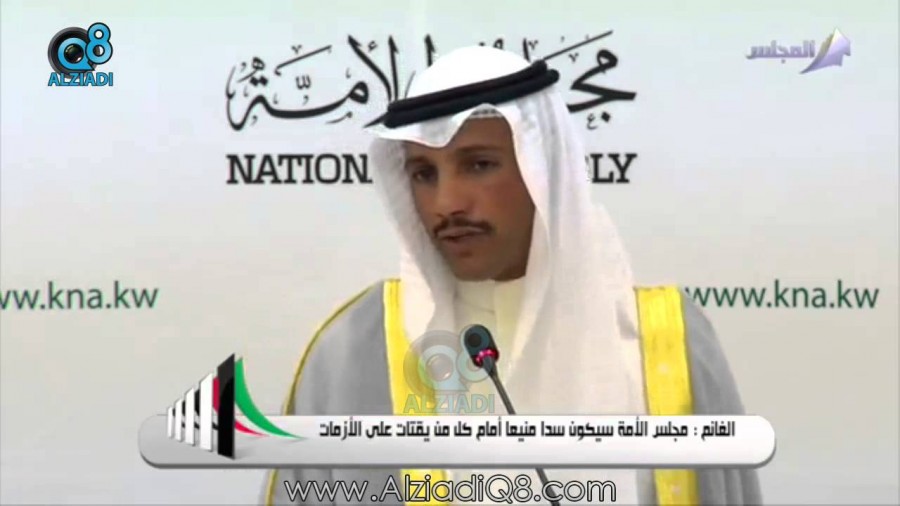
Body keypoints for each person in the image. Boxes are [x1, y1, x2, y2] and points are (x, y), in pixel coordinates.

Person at [261, 46, 762, 505]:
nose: (446, 203)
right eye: (424, 174)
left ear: (543, 168)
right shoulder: (353, 350)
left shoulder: (665, 342)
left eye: (479, 165)